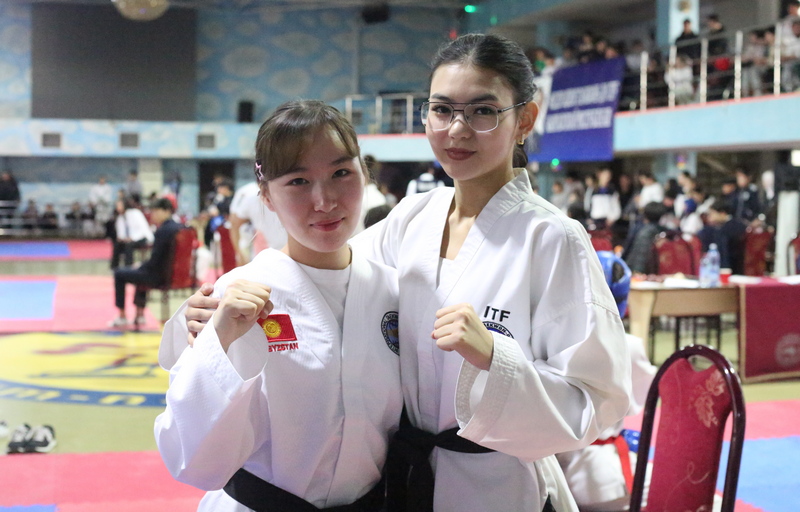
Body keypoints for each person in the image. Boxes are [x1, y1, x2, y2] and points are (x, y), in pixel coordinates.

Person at [169, 34, 632, 511]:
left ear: (525, 120)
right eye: (442, 110)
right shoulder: (414, 218)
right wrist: (213, 308)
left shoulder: (552, 238)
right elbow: (322, 274)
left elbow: (596, 401)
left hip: (496, 485)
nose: (457, 129)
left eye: (483, 111)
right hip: (403, 481)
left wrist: (497, 359)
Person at [154, 101, 402, 511]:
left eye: (341, 173)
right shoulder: (234, 298)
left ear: (364, 174)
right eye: (298, 181)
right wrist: (218, 342)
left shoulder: (393, 292)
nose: (324, 200)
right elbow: (189, 460)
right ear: (266, 196)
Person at [556, 251, 656, 512]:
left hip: (551, 472)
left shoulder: (550, 341)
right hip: (601, 475)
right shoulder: (628, 345)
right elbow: (646, 395)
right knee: (691, 493)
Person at [110, 197, 180, 328]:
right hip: (177, 275)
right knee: (141, 273)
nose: (152, 215)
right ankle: (140, 315)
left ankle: (122, 316)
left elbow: (154, 262)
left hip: (160, 276)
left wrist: (140, 266)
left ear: (166, 211)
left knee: (120, 273)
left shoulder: (163, 231)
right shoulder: (181, 228)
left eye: (155, 211)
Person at [228, 181, 288, 265]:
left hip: (280, 253)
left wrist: (239, 253)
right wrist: (239, 253)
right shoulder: (251, 198)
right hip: (270, 254)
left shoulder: (250, 197)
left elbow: (234, 223)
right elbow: (234, 223)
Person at [111, 197, 155, 270]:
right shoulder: (120, 217)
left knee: (129, 245)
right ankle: (114, 267)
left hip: (141, 237)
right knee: (117, 244)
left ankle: (128, 267)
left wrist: (132, 238)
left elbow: (143, 229)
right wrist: (121, 238)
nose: (118, 207)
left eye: (119, 205)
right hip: (128, 239)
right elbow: (120, 233)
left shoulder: (135, 213)